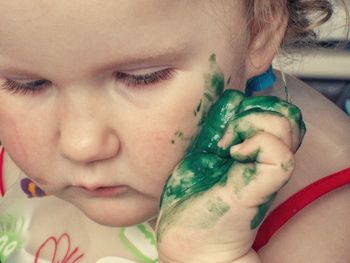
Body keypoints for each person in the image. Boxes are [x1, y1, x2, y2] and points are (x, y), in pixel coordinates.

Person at [0, 0, 349, 262]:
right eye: (26, 85)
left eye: (142, 78)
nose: (81, 144)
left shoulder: (327, 227)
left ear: (258, 30)